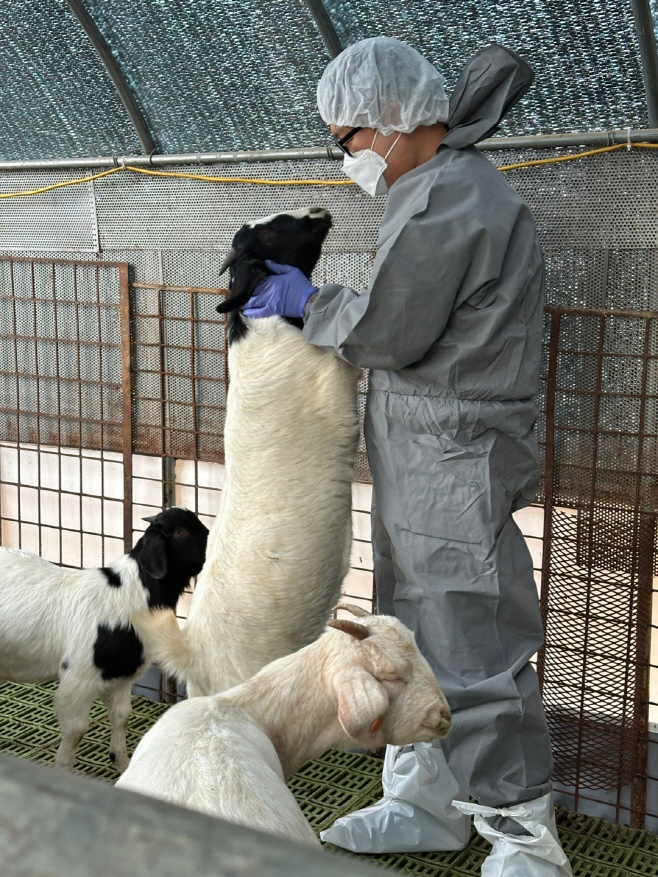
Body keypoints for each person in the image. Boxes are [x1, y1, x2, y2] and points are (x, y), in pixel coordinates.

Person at [242, 37, 572, 877]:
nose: (345, 156)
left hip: (454, 458)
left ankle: (524, 837)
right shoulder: (431, 189)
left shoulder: (449, 200)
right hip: (425, 455)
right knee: (409, 631)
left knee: (471, 640)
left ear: (390, 122)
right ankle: (424, 800)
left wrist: (309, 299)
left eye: (346, 137)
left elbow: (391, 329)